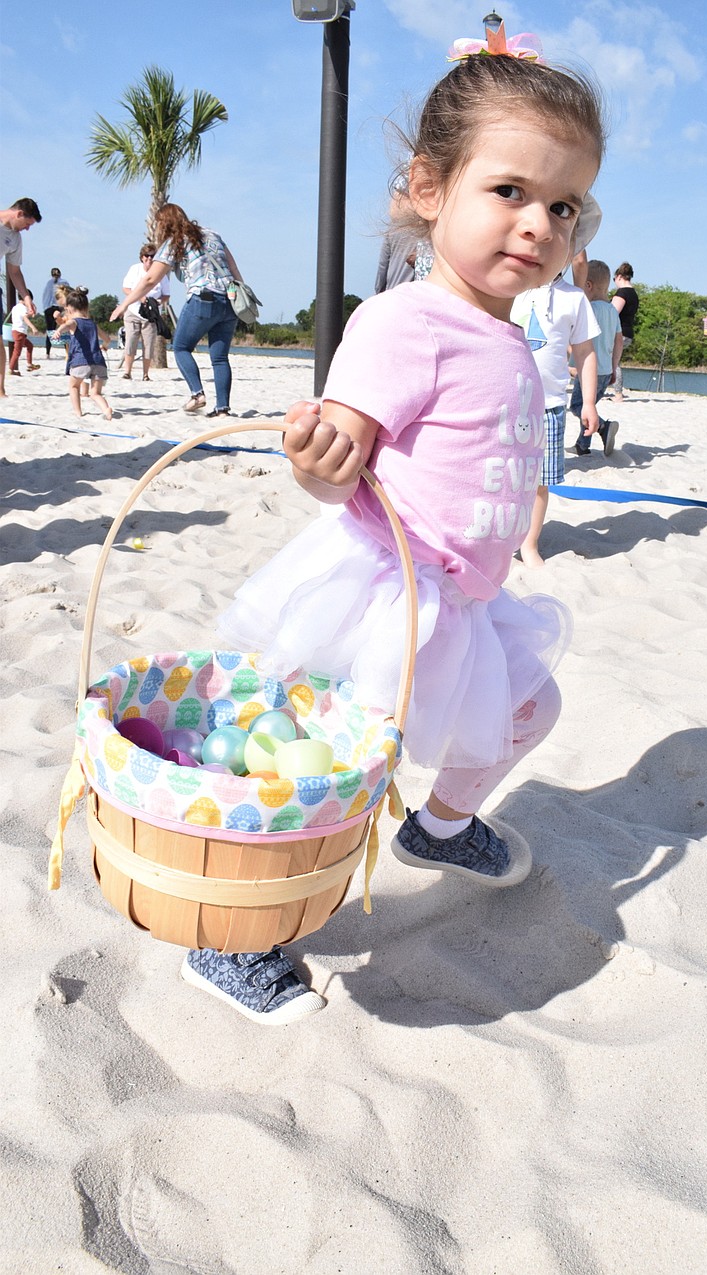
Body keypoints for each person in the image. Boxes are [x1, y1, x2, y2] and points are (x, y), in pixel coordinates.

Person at [183, 27, 607, 1024]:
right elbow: (341, 458)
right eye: (508, 191)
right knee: (330, 774)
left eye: (563, 205)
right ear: (430, 188)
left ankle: (443, 828)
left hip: (465, 600)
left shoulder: (509, 334)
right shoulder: (405, 322)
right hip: (386, 592)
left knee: (525, 715)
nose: (539, 224)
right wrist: (316, 459)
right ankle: (238, 938)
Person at [511, 195, 603, 567]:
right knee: (502, 475)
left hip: (549, 406)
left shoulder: (574, 300)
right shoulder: (513, 286)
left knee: (538, 482)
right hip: (504, 401)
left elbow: (586, 353)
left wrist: (591, 402)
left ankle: (530, 543)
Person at [111, 204, 244, 418]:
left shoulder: (173, 242)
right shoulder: (213, 235)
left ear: (163, 224)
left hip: (203, 298)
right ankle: (222, 409)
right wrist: (240, 295)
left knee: (181, 347)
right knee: (220, 358)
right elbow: (234, 268)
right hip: (229, 300)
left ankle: (197, 394)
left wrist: (124, 304)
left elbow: (150, 279)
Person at [570, 258, 623, 456]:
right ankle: (583, 446)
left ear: (588, 285)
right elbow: (619, 342)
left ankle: (603, 427)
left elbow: (577, 340)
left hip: (588, 371)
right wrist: (614, 366)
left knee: (578, 406)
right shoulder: (612, 311)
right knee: (589, 406)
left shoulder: (587, 310)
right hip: (605, 370)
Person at [0, 197, 41, 398]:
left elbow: (14, 271)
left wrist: (26, 297)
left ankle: (0, 388)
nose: (27, 229)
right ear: (18, 214)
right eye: (27, 224)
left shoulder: (15, 239)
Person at [52, 286, 113, 420]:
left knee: (74, 386)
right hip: (98, 362)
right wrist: (104, 346)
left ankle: (78, 412)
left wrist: (58, 331)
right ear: (86, 308)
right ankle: (106, 409)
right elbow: (107, 339)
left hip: (81, 361)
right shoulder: (92, 323)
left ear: (68, 308)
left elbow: (66, 325)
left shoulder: (74, 321)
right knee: (95, 393)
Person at [120, 243, 171, 381]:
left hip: (151, 314)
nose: (149, 259)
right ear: (142, 257)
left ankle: (145, 374)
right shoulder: (134, 269)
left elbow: (166, 294)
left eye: (152, 256)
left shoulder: (162, 274)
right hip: (133, 310)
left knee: (148, 345)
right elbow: (126, 288)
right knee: (131, 342)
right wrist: (140, 297)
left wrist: (157, 302)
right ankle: (127, 372)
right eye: (146, 256)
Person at [374, 184, 418, 293]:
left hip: (392, 294)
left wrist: (378, 292)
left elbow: (382, 267)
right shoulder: (429, 230)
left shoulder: (392, 230)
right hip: (418, 297)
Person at [610, 262, 638, 401]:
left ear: (619, 277)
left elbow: (612, 313)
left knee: (613, 362)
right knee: (614, 361)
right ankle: (616, 391)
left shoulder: (622, 293)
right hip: (628, 332)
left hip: (619, 333)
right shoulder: (633, 293)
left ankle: (618, 394)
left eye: (613, 279)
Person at [7, 293, 41, 375]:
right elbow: (25, 318)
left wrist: (32, 308)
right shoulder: (23, 308)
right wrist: (33, 327)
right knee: (17, 351)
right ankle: (11, 369)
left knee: (29, 345)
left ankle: (29, 364)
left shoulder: (15, 307)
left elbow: (30, 315)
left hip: (15, 331)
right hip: (20, 331)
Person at [42, 267, 69, 358]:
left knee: (50, 330)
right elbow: (68, 294)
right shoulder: (64, 282)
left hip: (49, 307)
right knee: (65, 328)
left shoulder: (48, 283)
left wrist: (46, 308)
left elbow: (45, 297)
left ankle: (47, 353)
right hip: (60, 307)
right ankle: (67, 352)